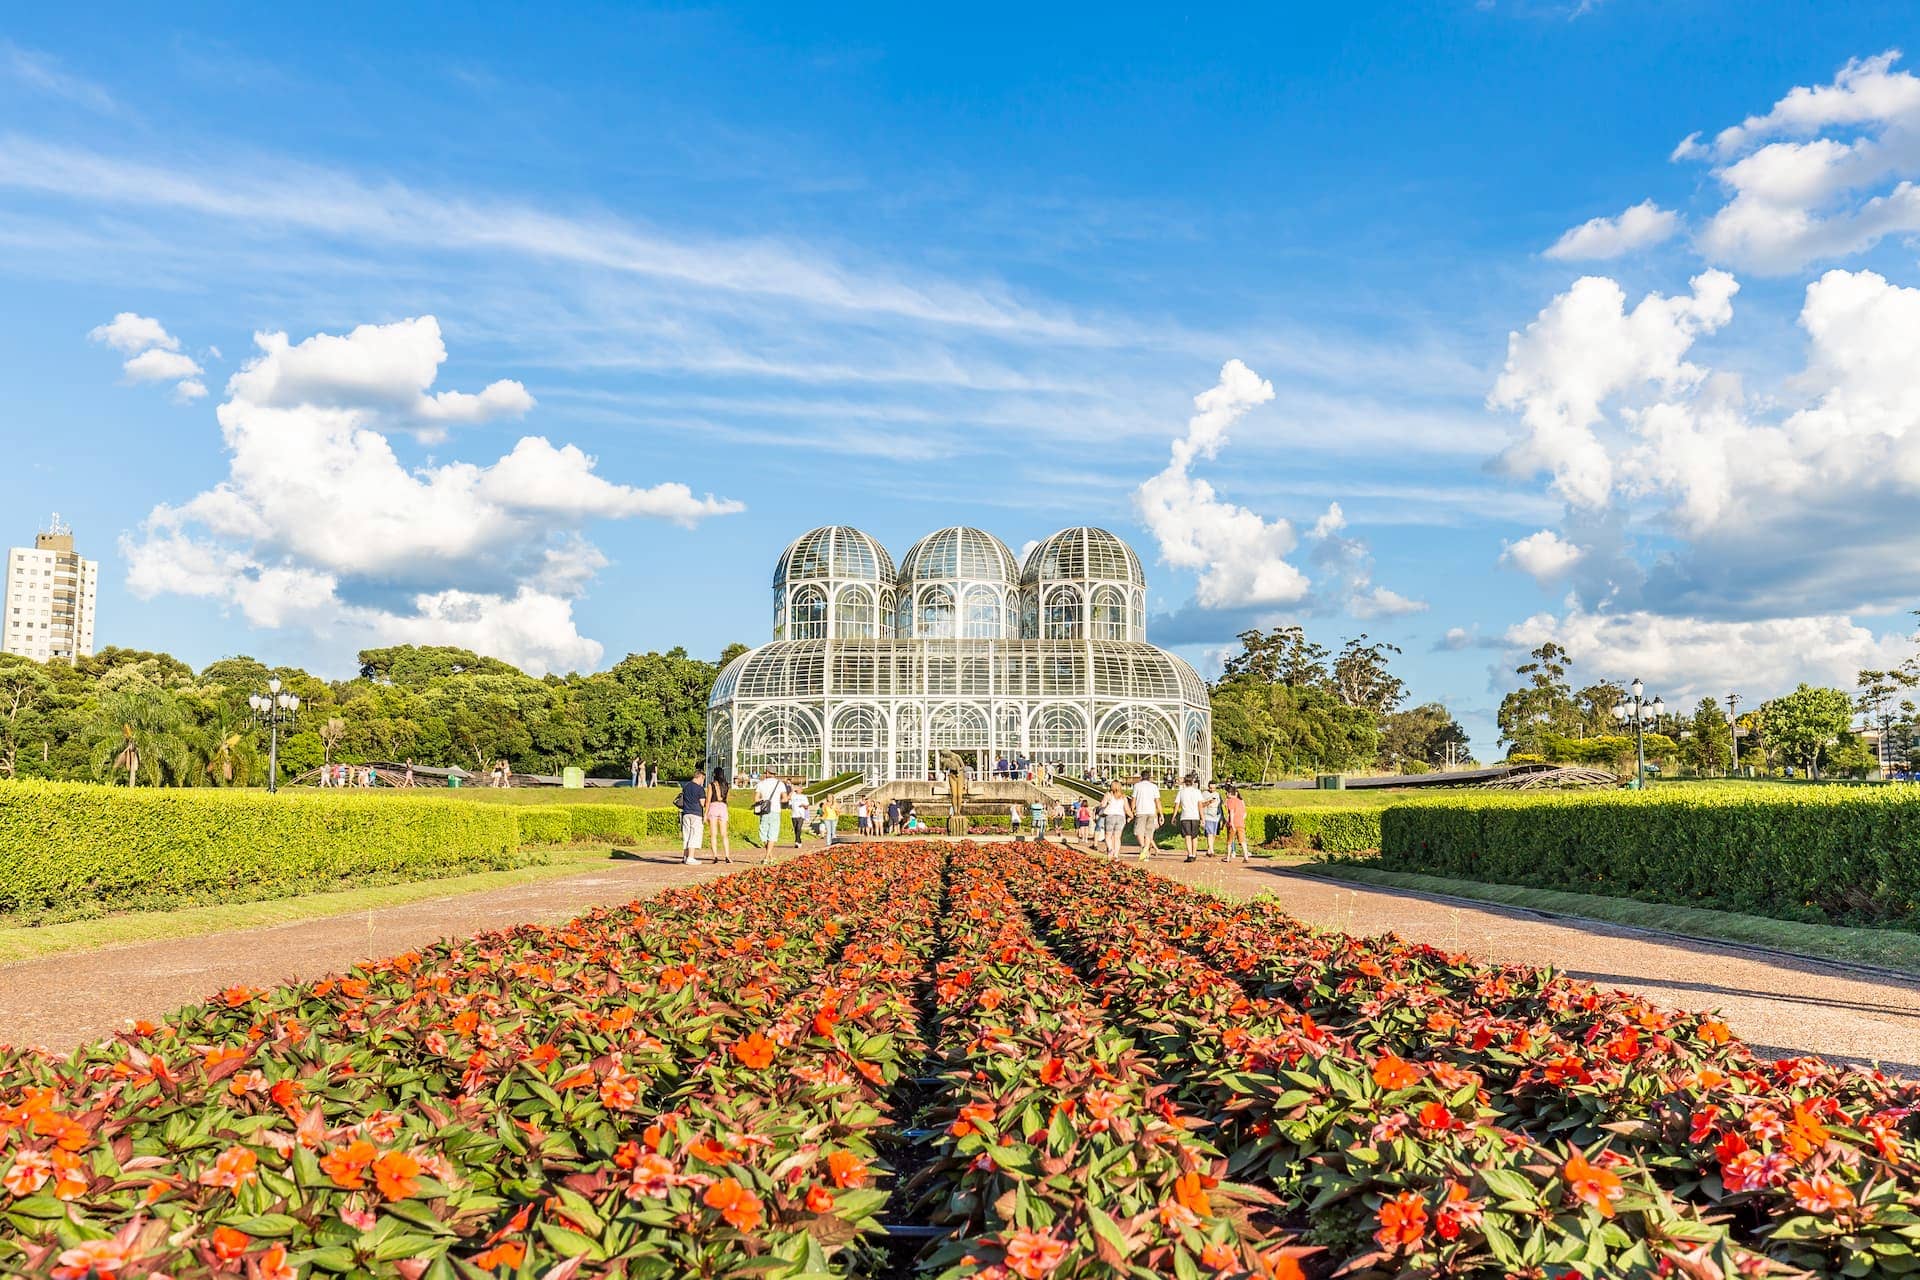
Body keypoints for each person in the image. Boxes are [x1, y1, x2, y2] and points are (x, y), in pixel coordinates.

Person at [676, 768, 707, 866]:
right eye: (703, 779)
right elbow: (702, 803)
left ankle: (685, 856)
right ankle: (691, 857)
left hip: (686, 813)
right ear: (700, 777)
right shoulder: (700, 789)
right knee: (694, 835)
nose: (703, 782)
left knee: (687, 835)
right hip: (696, 813)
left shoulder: (686, 786)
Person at [1130, 772, 1162, 860]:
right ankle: (1146, 851)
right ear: (1149, 778)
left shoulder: (1137, 786)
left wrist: (1132, 810)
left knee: (1138, 831)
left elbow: (1133, 799)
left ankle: (1144, 848)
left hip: (1141, 811)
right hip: (1151, 811)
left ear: (1141, 777)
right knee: (1149, 832)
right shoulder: (1154, 786)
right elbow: (1157, 801)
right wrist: (1161, 814)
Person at [705, 766, 733, 863]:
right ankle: (727, 856)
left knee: (713, 834)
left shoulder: (711, 785)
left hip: (713, 807)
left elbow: (708, 800)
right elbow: (726, 798)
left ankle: (715, 856)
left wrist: (705, 814)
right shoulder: (726, 785)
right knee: (724, 834)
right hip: (723, 807)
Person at [752, 772, 788, 848]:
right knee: (773, 834)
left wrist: (763, 800)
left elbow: (756, 799)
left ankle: (769, 856)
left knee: (763, 834)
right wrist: (777, 801)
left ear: (767, 773)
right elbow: (785, 799)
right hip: (775, 810)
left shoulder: (761, 784)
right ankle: (768, 856)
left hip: (764, 810)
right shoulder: (780, 784)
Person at [1175, 774, 1205, 862]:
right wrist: (1202, 818)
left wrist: (1174, 816)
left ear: (1184, 782)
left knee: (1187, 836)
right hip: (1195, 816)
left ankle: (1190, 854)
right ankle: (1194, 853)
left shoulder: (1181, 792)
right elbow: (1200, 805)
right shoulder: (1197, 792)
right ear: (1192, 782)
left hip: (1185, 816)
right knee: (1194, 836)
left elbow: (1177, 805)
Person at [1100, 780, 1130, 858]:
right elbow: (1127, 809)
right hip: (1121, 817)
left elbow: (1103, 805)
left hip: (1110, 816)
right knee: (1117, 837)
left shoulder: (1108, 794)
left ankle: (1110, 849)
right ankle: (1116, 855)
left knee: (1108, 835)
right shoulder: (1123, 797)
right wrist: (1131, 816)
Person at [1222, 784, 1251, 861]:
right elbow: (1244, 814)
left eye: (1226, 793)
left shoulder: (1230, 801)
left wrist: (1231, 823)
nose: (1226, 795)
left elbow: (1231, 812)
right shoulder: (1240, 801)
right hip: (1241, 823)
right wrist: (1241, 820)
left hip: (1233, 823)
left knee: (1230, 841)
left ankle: (1228, 857)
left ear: (1229, 793)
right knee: (1242, 841)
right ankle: (1246, 856)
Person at [1201, 780, 1221, 858]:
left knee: (1213, 834)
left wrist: (1221, 817)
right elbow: (1201, 805)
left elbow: (1220, 806)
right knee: (1209, 833)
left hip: (1216, 817)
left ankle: (1209, 850)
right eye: (1210, 788)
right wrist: (1209, 802)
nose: (1212, 789)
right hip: (1207, 816)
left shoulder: (1217, 794)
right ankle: (1212, 850)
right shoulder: (1204, 794)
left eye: (1214, 788)